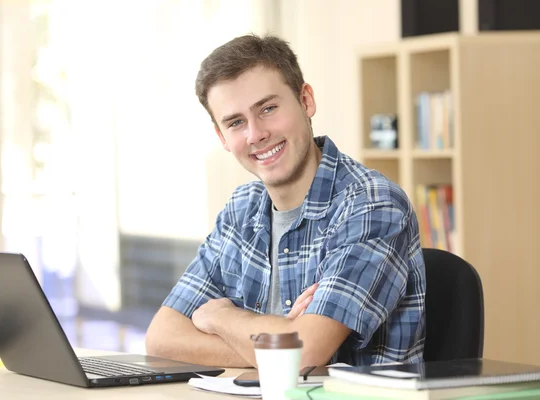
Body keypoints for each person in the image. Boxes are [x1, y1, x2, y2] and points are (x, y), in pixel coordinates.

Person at [144, 33, 425, 369]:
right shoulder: (240, 210)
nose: (256, 134)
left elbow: (304, 355)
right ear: (222, 137)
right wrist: (279, 341)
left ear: (306, 100)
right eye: (236, 123)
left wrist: (221, 318)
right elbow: (161, 339)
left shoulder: (371, 204)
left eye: (268, 108)